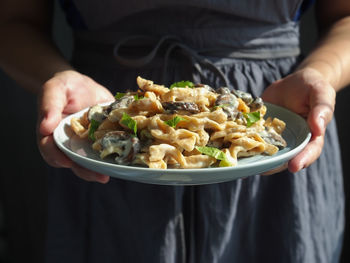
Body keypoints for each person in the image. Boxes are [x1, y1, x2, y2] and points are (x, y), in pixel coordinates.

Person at [0, 0, 349, 262]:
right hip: (102, 135)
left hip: (277, 123)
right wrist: (56, 76)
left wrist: (323, 73)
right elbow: (14, 21)